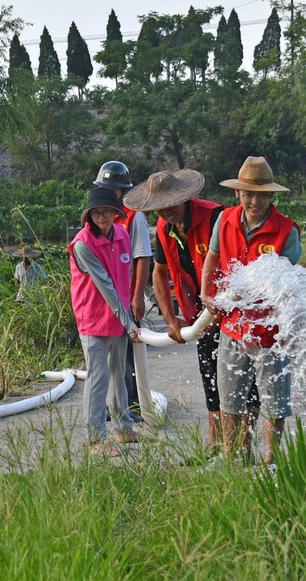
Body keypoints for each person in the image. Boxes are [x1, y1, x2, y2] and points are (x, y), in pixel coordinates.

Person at [124, 169, 260, 454]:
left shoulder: (215, 219)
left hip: (232, 307)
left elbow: (238, 263)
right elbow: (158, 274)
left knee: (240, 379)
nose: (167, 212)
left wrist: (218, 309)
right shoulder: (164, 228)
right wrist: (171, 319)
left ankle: (242, 448)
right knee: (210, 375)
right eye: (160, 208)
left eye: (171, 205)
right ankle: (216, 446)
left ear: (186, 198)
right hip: (201, 313)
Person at [200, 156, 302, 465]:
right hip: (233, 328)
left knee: (273, 402)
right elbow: (213, 258)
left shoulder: (286, 231)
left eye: (261, 195)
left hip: (270, 332)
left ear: (271, 196)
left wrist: (290, 329)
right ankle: (234, 459)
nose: (254, 201)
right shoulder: (225, 220)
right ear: (238, 194)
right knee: (229, 398)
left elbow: (290, 285)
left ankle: (271, 461)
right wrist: (207, 292)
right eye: (248, 194)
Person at [68, 186, 143, 456]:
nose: (102, 217)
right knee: (98, 378)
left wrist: (131, 314)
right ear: (89, 216)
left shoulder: (122, 234)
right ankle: (95, 439)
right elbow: (106, 285)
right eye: (97, 213)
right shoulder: (82, 245)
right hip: (94, 319)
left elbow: (128, 274)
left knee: (120, 375)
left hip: (120, 319)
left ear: (115, 213)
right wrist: (128, 321)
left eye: (107, 212)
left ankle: (124, 427)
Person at [93, 161, 152, 421]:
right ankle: (111, 405)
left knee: (128, 355)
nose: (109, 193)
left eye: (113, 189)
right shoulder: (98, 216)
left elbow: (142, 257)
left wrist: (137, 297)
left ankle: (132, 407)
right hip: (104, 300)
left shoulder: (133, 216)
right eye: (105, 188)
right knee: (106, 357)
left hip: (126, 298)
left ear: (122, 191)